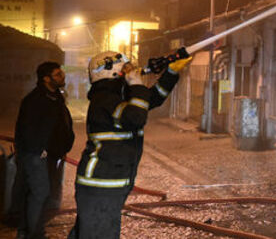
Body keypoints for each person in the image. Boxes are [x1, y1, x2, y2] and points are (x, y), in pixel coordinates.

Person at [68, 48, 191, 239]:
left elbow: (150, 100)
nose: (131, 72)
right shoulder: (105, 100)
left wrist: (171, 73)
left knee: (88, 232)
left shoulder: (115, 98)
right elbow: (136, 116)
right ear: (112, 72)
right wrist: (136, 84)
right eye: (126, 69)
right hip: (101, 185)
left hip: (106, 184)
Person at [14, 61, 74, 239]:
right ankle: (34, 234)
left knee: (40, 194)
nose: (62, 77)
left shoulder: (55, 97)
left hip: (50, 155)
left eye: (61, 73)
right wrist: (41, 151)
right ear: (46, 78)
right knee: (40, 193)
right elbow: (29, 130)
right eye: (57, 74)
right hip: (37, 155)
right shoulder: (36, 100)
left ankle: (26, 233)